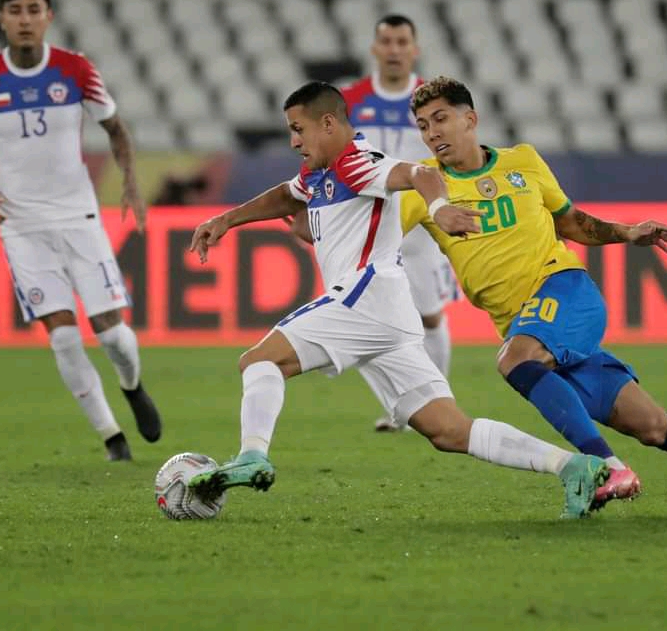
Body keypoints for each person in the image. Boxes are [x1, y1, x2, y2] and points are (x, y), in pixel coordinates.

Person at [381, 75, 667, 509]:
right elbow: (373, 236)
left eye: (440, 119)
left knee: (513, 359)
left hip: (565, 291)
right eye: (422, 126)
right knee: (655, 427)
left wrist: (627, 233)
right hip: (531, 328)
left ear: (470, 119)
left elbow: (571, 222)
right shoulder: (424, 189)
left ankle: (609, 467)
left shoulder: (522, 161)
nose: (431, 133)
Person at [186, 81, 612, 519]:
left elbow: (419, 174)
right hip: (389, 316)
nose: (294, 141)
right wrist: (227, 219)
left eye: (299, 129)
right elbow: (287, 194)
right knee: (448, 430)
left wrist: (439, 208)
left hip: (363, 298)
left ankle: (252, 455)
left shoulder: (359, 162)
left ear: (328, 123)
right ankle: (573, 466)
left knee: (259, 361)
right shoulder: (319, 170)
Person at [0, 0, 160, 461]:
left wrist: (129, 182)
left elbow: (116, 129)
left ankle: (132, 384)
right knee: (63, 335)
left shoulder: (76, 70)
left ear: (48, 17)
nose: (25, 19)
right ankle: (113, 439)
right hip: (21, 226)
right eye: (15, 11)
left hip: (79, 217)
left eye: (33, 9)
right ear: (1, 19)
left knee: (111, 333)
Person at [332, 15, 456, 432]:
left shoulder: (430, 100)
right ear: (375, 48)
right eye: (386, 41)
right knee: (371, 318)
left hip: (422, 224)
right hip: (368, 222)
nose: (394, 49)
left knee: (430, 317)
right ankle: (400, 407)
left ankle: (439, 402)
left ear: (414, 49)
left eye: (402, 41)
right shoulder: (350, 100)